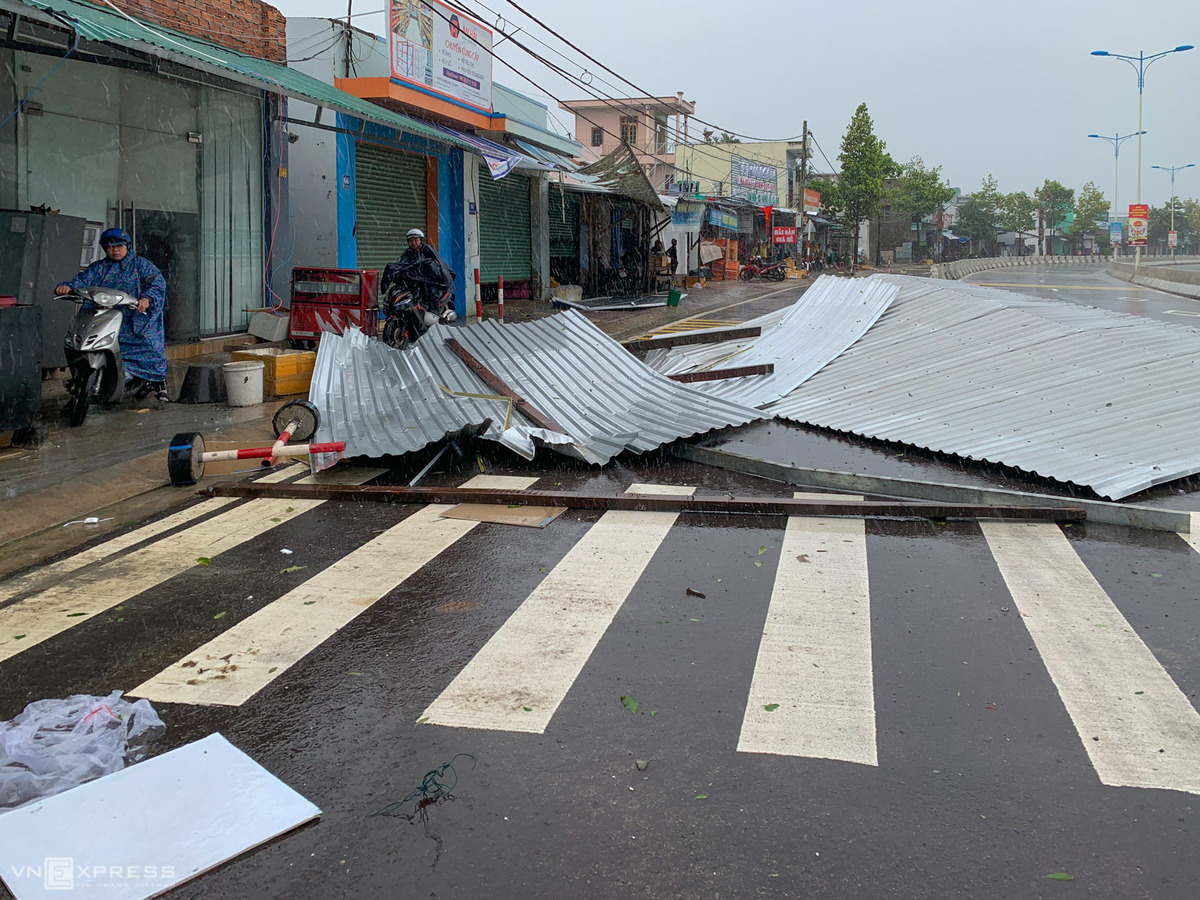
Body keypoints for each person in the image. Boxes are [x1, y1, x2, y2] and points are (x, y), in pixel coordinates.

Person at [55, 227, 168, 402]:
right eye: (109, 246)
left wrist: (146, 299)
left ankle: (159, 382)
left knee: (149, 347)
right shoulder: (99, 268)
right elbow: (83, 280)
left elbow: (157, 284)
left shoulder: (141, 265)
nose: (115, 249)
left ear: (127, 246)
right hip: (105, 316)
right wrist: (68, 287)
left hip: (134, 319)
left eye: (119, 246)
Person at [381, 228, 456, 325]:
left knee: (432, 291)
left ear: (421, 240)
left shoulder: (427, 250)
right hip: (415, 280)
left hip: (431, 280)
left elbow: (437, 265)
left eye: (416, 240)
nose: (413, 243)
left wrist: (425, 271)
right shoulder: (408, 253)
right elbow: (402, 264)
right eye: (411, 240)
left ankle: (434, 314)